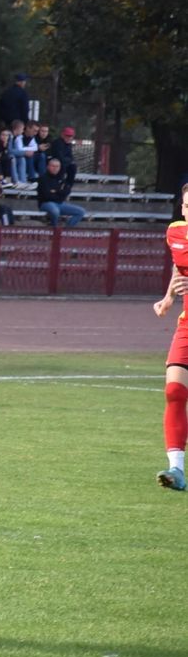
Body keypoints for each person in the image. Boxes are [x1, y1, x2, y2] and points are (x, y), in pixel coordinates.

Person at [152, 185, 188, 490]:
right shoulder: (176, 232)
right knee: (175, 390)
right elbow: (179, 267)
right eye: (187, 206)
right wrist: (168, 299)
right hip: (187, 325)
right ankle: (176, 470)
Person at [36, 157, 85, 227]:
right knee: (55, 211)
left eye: (57, 166)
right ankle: (55, 228)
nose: (55, 168)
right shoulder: (43, 179)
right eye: (53, 166)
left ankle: (66, 230)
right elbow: (46, 196)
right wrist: (60, 193)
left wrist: (56, 192)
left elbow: (66, 191)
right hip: (46, 203)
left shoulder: (61, 178)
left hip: (60, 203)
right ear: (48, 166)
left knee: (81, 211)